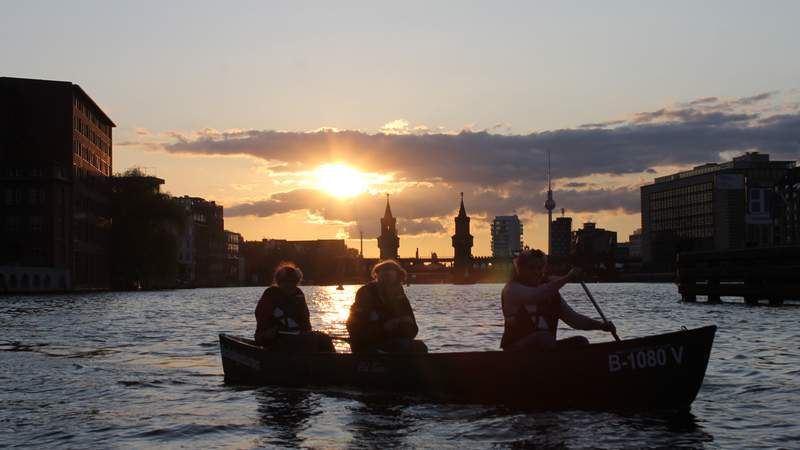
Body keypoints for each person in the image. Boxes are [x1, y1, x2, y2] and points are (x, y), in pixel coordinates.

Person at [500, 249, 616, 351]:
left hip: (544, 350)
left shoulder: (551, 294)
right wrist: (568, 277)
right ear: (520, 269)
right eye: (531, 268)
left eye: (539, 268)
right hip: (516, 350)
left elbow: (575, 320)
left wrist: (601, 326)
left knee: (581, 342)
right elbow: (536, 295)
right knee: (544, 337)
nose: (536, 272)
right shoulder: (512, 289)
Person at [346, 260, 428, 353]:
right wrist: (384, 327)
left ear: (398, 278)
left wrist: (398, 324)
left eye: (389, 277)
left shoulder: (400, 297)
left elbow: (412, 329)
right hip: (369, 344)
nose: (387, 282)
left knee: (419, 347)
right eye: (384, 276)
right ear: (377, 276)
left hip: (392, 342)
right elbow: (354, 326)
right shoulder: (366, 292)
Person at [254, 262, 335, 352]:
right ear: (279, 282)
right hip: (274, 339)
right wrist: (266, 334)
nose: (289, 285)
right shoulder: (270, 295)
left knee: (325, 340)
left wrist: (308, 334)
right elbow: (261, 320)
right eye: (285, 282)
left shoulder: (298, 295)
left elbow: (305, 321)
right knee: (309, 341)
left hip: (297, 337)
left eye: (292, 282)